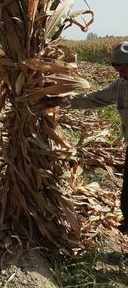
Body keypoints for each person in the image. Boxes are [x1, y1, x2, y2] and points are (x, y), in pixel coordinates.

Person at [44, 41, 128, 234]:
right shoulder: (121, 85)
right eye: (118, 70)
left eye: (124, 69)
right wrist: (60, 100)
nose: (120, 74)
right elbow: (93, 98)